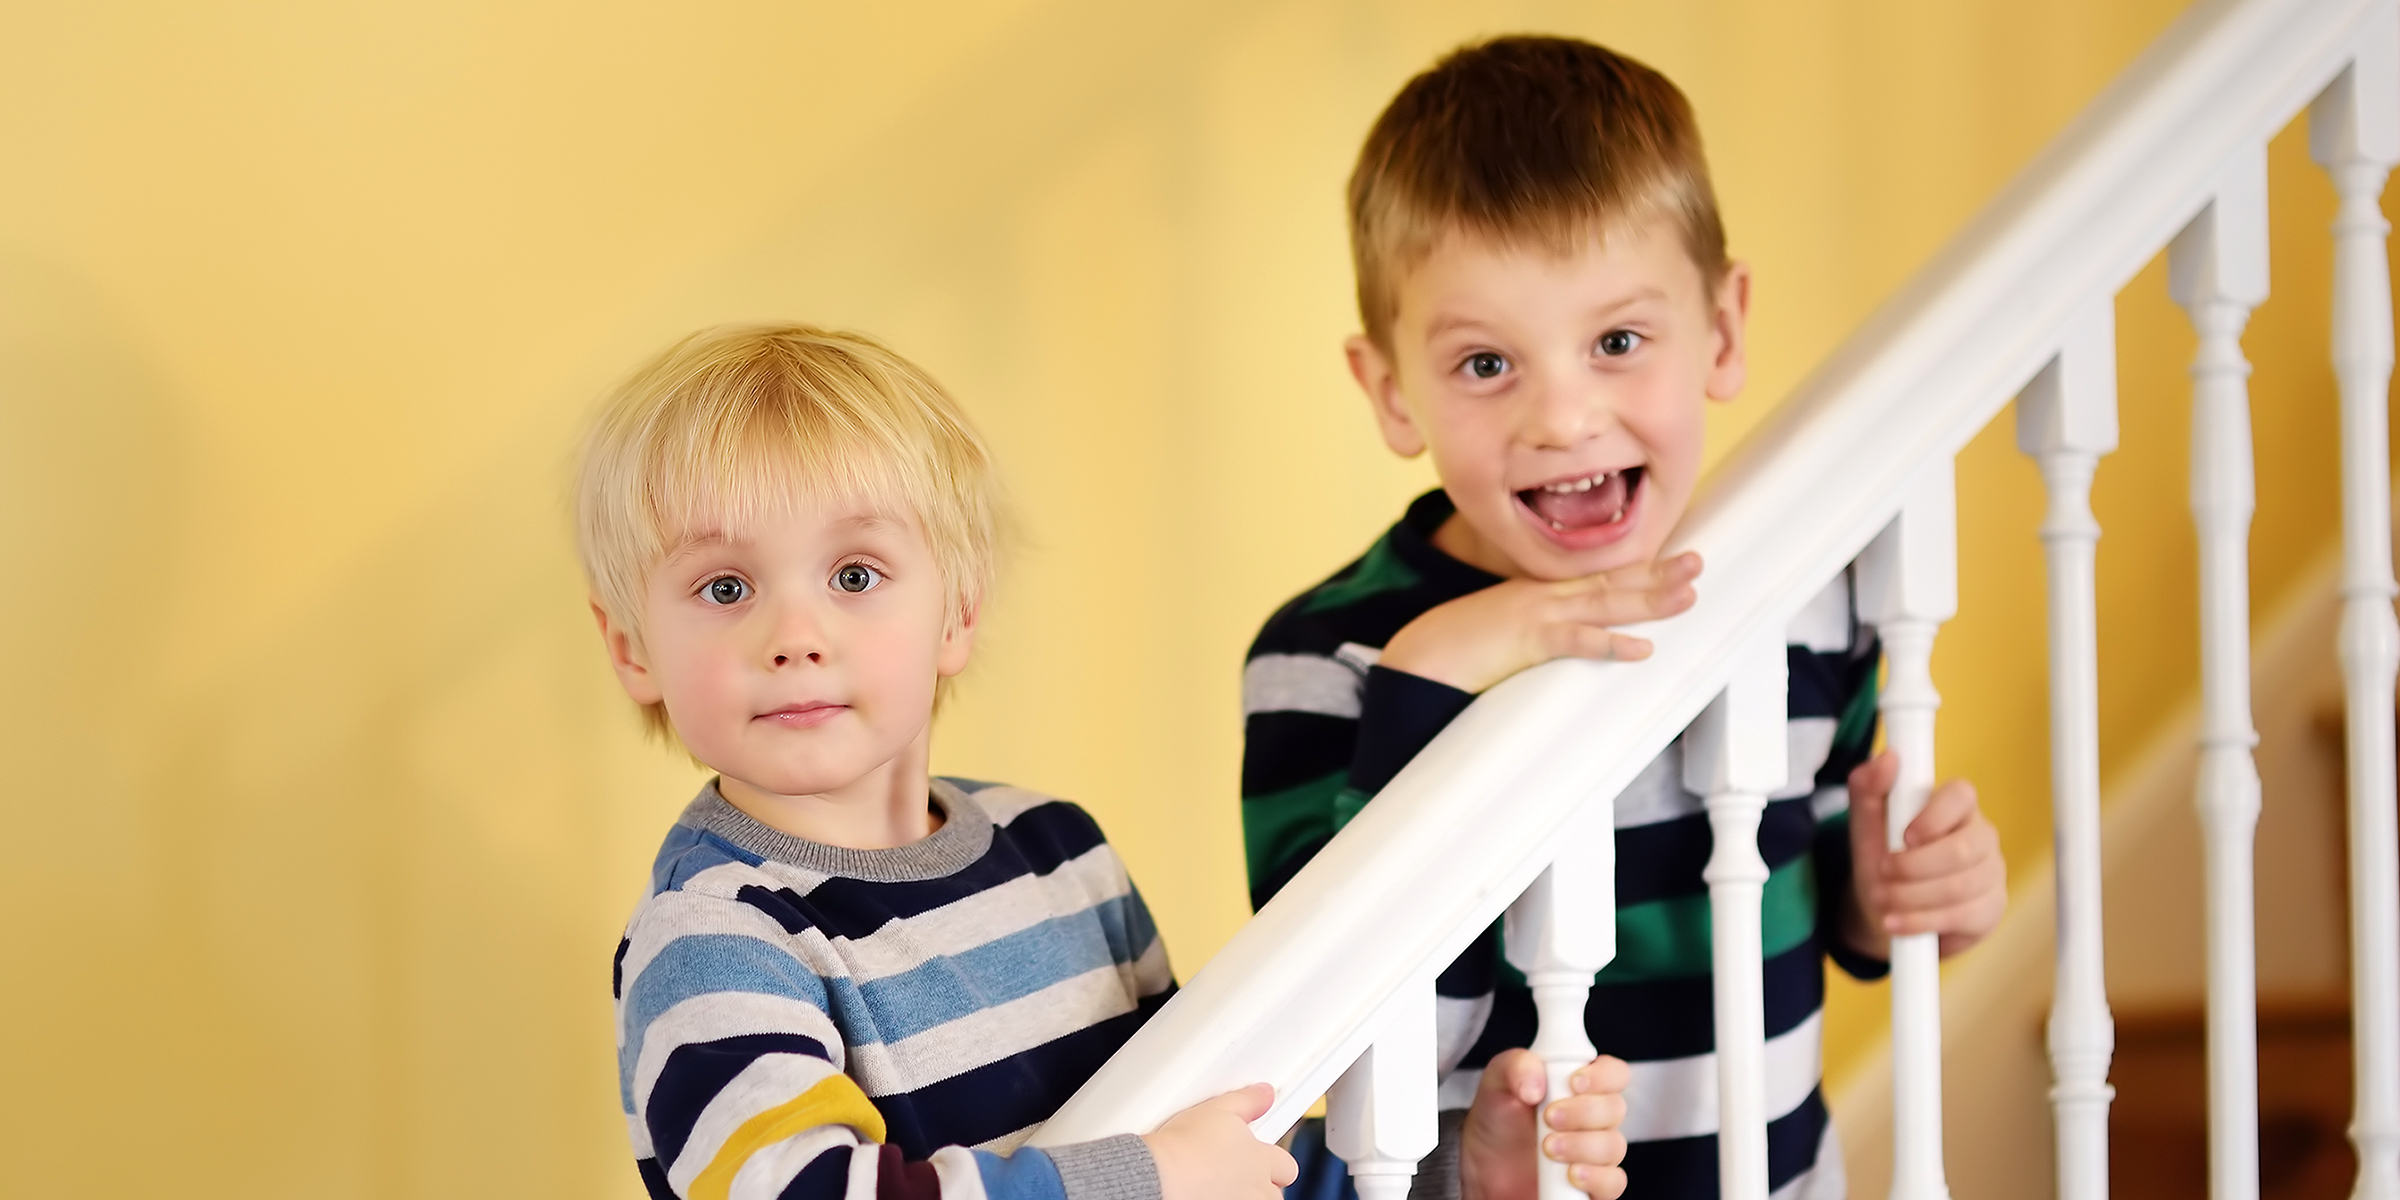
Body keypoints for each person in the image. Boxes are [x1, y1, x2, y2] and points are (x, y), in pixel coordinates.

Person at [581, 324, 1633, 1200]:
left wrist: (1461, 1168)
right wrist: (1146, 1178)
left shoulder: (1060, 850)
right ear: (632, 647)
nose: (795, 633)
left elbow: (1210, 1141)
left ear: (960, 613)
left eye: (855, 573)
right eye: (725, 588)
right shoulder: (716, 939)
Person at [1241, 38, 2009, 1200]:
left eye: (1616, 342)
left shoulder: (1807, 586)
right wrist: (1433, 676)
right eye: (1488, 362)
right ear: (1393, 392)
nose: (1564, 415)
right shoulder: (1327, 659)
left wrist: (1894, 894)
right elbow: (1355, 1050)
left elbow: (1819, 876)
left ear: (1724, 329)